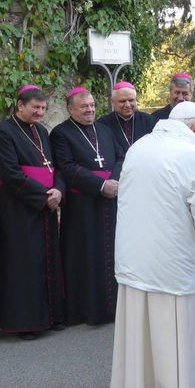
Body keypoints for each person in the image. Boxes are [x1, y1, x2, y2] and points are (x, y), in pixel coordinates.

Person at [110, 101, 195, 388]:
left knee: (139, 330)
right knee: (169, 331)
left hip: (134, 256)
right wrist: (192, 244)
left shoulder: (138, 148)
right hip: (171, 259)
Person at [0, 85, 65, 340]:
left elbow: (54, 167)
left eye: (43, 108)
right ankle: (24, 322)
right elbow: (11, 174)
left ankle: (49, 316)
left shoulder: (42, 131)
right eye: (36, 107)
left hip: (45, 206)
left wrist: (58, 190)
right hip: (18, 210)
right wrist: (44, 197)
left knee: (47, 261)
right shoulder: (3, 132)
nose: (40, 113)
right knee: (23, 265)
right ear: (20, 105)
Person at [50, 87, 124, 326]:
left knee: (111, 254)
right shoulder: (61, 133)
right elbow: (67, 168)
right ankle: (86, 311)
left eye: (92, 105)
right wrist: (102, 186)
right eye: (84, 106)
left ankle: (113, 308)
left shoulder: (105, 129)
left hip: (110, 202)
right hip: (82, 207)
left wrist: (115, 181)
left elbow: (121, 157)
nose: (90, 110)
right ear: (70, 109)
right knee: (85, 255)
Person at [98, 81, 156, 152]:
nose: (127, 105)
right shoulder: (103, 125)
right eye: (122, 101)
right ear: (112, 102)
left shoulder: (149, 121)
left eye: (131, 100)